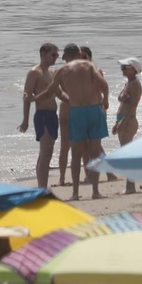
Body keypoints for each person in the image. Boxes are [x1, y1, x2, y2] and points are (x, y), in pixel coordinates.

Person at [36, 44, 109, 200]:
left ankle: (75, 193)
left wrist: (34, 99)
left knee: (75, 154)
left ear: (65, 56)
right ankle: (95, 191)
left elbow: (51, 91)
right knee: (95, 152)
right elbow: (103, 84)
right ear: (79, 54)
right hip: (94, 109)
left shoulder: (62, 71)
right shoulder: (89, 66)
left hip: (76, 111)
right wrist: (106, 100)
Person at [18, 43, 60, 189]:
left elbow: (58, 93)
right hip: (43, 115)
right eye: (53, 55)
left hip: (53, 115)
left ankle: (42, 186)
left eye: (57, 55)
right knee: (46, 152)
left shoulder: (52, 73)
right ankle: (42, 187)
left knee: (47, 152)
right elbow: (27, 96)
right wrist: (25, 120)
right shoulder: (34, 72)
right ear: (43, 54)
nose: (56, 58)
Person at [114, 58, 141, 194]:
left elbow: (133, 105)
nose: (122, 69)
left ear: (134, 69)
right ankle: (130, 185)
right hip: (122, 119)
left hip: (129, 120)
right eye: (122, 67)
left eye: (126, 67)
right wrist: (116, 122)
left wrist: (122, 121)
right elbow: (122, 104)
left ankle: (131, 186)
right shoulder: (127, 83)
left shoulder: (135, 84)